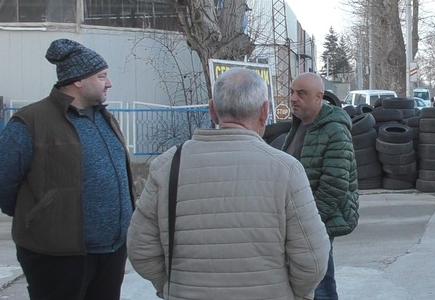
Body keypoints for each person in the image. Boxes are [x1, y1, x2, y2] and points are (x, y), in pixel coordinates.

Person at [127, 68, 331, 299]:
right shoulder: (287, 169)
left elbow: (140, 249)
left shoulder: (168, 165)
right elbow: (313, 261)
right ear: (265, 111)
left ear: (212, 110)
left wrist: (171, 286)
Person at [0, 39, 133, 299]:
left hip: (112, 251)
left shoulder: (105, 117)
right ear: (78, 80)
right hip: (56, 257)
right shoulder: (30, 122)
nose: (109, 83)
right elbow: (4, 183)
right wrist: (39, 214)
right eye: (102, 76)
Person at [282, 72, 359, 300]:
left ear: (319, 97)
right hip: (303, 219)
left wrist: (308, 222)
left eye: (301, 93)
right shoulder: (300, 125)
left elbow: (335, 185)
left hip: (318, 220)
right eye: (292, 92)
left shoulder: (334, 130)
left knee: (320, 284)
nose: (294, 98)